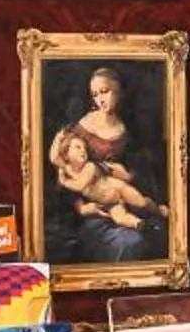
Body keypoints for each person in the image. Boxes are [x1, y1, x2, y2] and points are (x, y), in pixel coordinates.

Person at [59, 67, 168, 262]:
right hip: (94, 209)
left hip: (124, 195)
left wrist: (129, 176)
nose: (100, 99)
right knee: (128, 242)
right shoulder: (82, 128)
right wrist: (81, 208)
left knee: (155, 229)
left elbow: (143, 170)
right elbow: (63, 171)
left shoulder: (128, 129)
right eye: (94, 94)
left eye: (105, 91)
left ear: (118, 90)